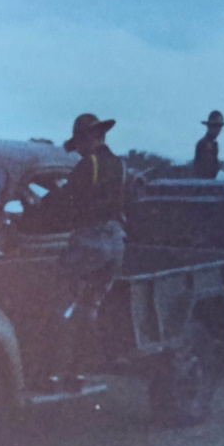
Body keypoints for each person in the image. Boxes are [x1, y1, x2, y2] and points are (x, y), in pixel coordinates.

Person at [55, 113, 126, 391]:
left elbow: (65, 201)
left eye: (82, 141)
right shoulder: (120, 165)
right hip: (115, 242)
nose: (80, 148)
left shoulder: (88, 165)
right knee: (91, 305)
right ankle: (82, 367)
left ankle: (57, 366)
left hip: (91, 241)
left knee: (58, 296)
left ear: (92, 138)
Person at [193, 110, 224, 179]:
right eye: (216, 126)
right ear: (209, 127)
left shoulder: (214, 144)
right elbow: (203, 169)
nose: (218, 130)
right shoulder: (203, 144)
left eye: (219, 127)